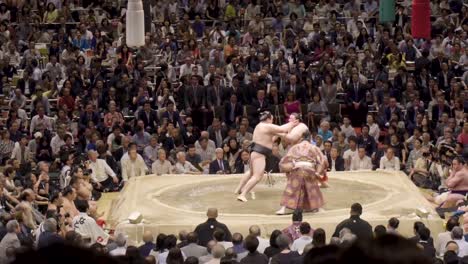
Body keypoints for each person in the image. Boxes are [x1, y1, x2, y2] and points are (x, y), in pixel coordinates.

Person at [235, 111, 298, 202]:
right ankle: (243, 194)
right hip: (259, 154)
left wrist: (278, 134)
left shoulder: (259, 126)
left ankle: (238, 189)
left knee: (251, 173)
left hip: (255, 153)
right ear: (268, 118)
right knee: (257, 176)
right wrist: (293, 122)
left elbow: (270, 139)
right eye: (272, 119)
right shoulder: (266, 126)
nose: (272, 121)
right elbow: (282, 129)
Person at [276, 131, 327, 215]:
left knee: (291, 188)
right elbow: (322, 160)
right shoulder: (314, 147)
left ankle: (283, 209)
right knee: (312, 188)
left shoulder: (295, 147)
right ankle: (318, 208)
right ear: (310, 138)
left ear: (301, 138)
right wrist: (318, 172)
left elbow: (284, 160)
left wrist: (289, 169)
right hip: (309, 169)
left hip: (297, 168)